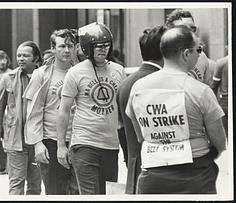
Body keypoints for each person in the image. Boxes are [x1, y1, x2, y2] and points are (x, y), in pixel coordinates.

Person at [126, 26, 227, 194]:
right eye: (198, 50)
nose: (200, 54)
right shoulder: (200, 91)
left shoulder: (138, 87)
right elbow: (219, 140)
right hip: (196, 175)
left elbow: (140, 135)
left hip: (152, 173)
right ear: (186, 54)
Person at [57, 22, 126, 194]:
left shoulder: (119, 70)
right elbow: (64, 110)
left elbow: (124, 110)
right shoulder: (75, 73)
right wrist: (61, 146)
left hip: (111, 145)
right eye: (98, 46)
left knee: (108, 193)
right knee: (90, 194)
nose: (103, 50)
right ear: (88, 48)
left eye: (106, 45)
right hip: (84, 143)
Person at [23, 29, 78, 195]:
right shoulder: (41, 74)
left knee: (78, 192)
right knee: (55, 192)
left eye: (70, 46)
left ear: (76, 48)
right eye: (62, 46)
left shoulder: (81, 71)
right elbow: (32, 112)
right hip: (50, 141)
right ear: (53, 49)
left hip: (78, 140)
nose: (67, 50)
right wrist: (38, 144)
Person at [0, 41, 42, 195]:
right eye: (19, 55)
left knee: (35, 186)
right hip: (16, 139)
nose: (21, 58)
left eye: (26, 55)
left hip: (39, 140)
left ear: (36, 58)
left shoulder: (44, 77)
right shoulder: (8, 78)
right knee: (16, 184)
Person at [118, 25, 166, 194]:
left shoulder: (125, 84)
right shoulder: (159, 83)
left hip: (134, 166)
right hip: (158, 170)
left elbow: (121, 130)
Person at [165, 9, 213, 86]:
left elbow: (206, 86)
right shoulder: (164, 57)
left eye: (192, 28)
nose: (189, 32)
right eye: (183, 28)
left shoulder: (202, 57)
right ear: (170, 31)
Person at [210, 55, 228, 139]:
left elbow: (214, 86)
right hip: (225, 102)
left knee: (225, 133)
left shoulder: (221, 62)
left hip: (225, 101)